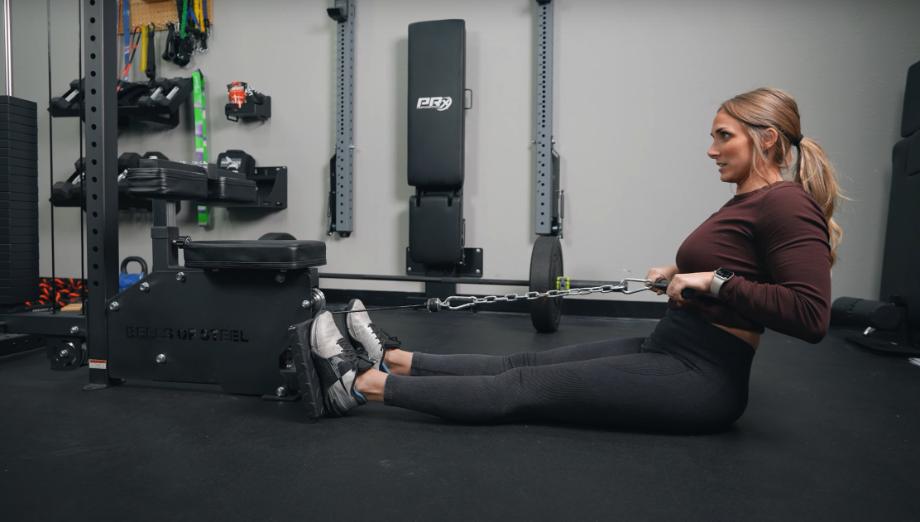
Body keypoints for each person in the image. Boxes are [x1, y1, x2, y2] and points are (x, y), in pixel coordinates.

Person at [301, 87, 843, 432]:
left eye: (723, 136)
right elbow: (740, 272)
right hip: (673, 345)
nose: (711, 149)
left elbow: (810, 315)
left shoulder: (788, 205)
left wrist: (714, 281)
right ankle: (392, 360)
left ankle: (357, 386)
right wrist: (681, 276)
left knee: (521, 390)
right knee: (522, 363)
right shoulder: (750, 201)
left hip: (702, 377)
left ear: (766, 138)